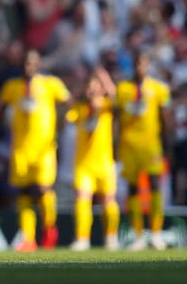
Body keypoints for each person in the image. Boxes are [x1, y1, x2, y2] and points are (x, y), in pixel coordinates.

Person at [0, 48, 71, 252]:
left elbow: (69, 103)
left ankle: (49, 228)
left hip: (44, 149)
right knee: (23, 193)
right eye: (24, 62)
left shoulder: (50, 84)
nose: (27, 66)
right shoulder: (12, 87)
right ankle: (28, 238)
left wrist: (63, 123)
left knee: (42, 189)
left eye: (31, 63)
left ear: (38, 64)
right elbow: (0, 110)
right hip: (20, 149)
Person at [115, 50, 173, 250]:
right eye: (137, 63)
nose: (140, 67)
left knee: (155, 186)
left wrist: (168, 144)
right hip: (129, 145)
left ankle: (156, 233)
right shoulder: (122, 89)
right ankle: (138, 234)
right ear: (133, 65)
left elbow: (165, 118)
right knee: (132, 189)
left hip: (151, 146)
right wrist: (115, 145)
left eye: (143, 63)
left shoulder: (159, 89)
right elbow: (116, 119)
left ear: (148, 65)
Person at [66, 67, 120, 251]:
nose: (91, 89)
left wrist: (105, 78)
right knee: (82, 199)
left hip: (105, 163)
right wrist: (78, 93)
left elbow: (116, 96)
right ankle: (82, 239)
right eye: (89, 86)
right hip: (84, 164)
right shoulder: (80, 108)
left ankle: (111, 237)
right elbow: (67, 117)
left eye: (95, 86)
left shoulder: (107, 106)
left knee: (109, 202)